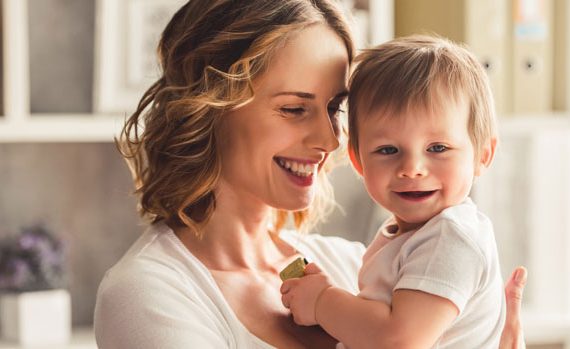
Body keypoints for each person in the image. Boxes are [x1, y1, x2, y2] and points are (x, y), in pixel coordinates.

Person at [94, 1, 526, 348]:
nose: (330, 138)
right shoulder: (150, 295)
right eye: (294, 109)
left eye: (334, 108)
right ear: (209, 109)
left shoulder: (355, 263)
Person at [280, 35, 523, 348]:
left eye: (438, 147)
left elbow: (398, 340)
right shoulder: (410, 236)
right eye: (388, 149)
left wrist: (323, 302)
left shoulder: (451, 237)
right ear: (358, 160)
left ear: (483, 155)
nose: (412, 168)